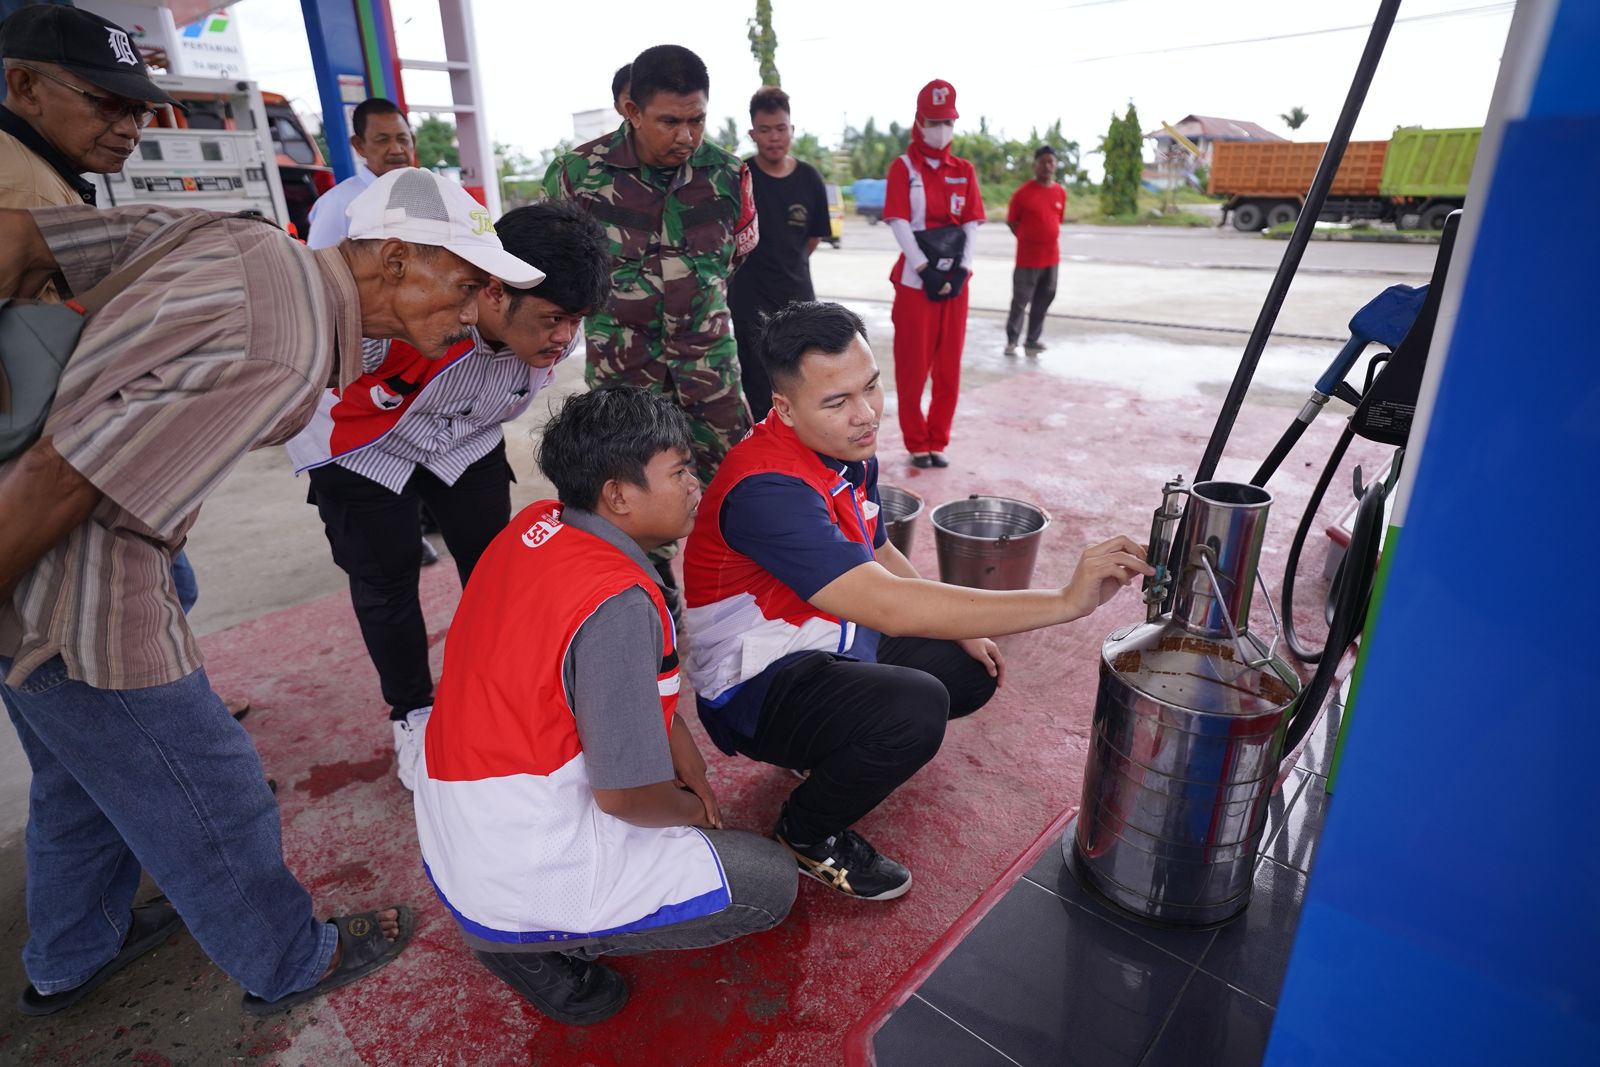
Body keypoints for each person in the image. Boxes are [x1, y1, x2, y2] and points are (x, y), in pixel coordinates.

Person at [0, 166, 542, 1015]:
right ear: (395, 260)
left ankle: (73, 950)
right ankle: (290, 958)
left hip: (31, 556)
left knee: (81, 773)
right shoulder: (289, 350)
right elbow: (61, 476)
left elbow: (23, 239)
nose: (476, 311)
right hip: (72, 581)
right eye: (467, 283)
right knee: (212, 787)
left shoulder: (247, 240)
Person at [682, 301, 1151, 900]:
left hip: (825, 637)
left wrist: (962, 627)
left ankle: (825, 748)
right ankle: (806, 833)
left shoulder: (846, 450)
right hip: (754, 686)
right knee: (916, 708)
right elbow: (889, 606)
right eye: (837, 401)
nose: (865, 414)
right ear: (785, 408)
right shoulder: (767, 489)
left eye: (871, 386)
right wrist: (1066, 601)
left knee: (967, 669)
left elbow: (876, 548)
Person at [415, 385, 796, 1025]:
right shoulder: (616, 602)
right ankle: (535, 944)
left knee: (678, 809)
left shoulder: (539, 525)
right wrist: (696, 813)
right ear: (618, 496)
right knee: (768, 883)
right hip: (520, 859)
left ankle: (517, 921)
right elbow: (623, 797)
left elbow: (622, 682)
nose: (696, 485)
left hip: (465, 820)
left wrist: (685, 754)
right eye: (680, 472)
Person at [287, 200, 611, 790]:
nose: (566, 338)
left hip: (465, 439)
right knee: (386, 580)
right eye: (554, 319)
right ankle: (412, 713)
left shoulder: (553, 329)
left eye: (577, 321)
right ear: (493, 290)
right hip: (365, 445)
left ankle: (497, 688)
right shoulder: (403, 315)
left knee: (492, 569)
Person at [0, 5, 252, 718]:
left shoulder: (41, 170)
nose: (131, 126)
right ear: (24, 86)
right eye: (105, 103)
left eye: (139, 108)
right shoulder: (19, 191)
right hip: (46, 496)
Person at [543, 43, 758, 612]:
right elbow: (559, 269)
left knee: (737, 488)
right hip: (624, 372)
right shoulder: (576, 175)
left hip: (710, 371)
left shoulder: (729, 174)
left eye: (697, 119)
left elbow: (735, 256)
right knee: (629, 496)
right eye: (669, 121)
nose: (686, 136)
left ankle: (738, 600)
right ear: (632, 110)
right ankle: (651, 605)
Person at [883, 79, 986, 470]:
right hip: (916, 283)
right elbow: (899, 221)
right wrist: (923, 269)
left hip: (955, 283)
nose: (942, 130)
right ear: (919, 121)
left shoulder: (964, 169)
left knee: (948, 368)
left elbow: (972, 223)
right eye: (934, 121)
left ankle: (938, 439)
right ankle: (917, 442)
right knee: (913, 368)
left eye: (948, 122)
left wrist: (963, 270)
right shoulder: (903, 168)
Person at [727, 86, 832, 421]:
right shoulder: (739, 177)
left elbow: (813, 237)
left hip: (798, 299)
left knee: (803, 385)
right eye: (765, 130)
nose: (774, 137)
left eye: (780, 128)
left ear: (792, 129)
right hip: (749, 302)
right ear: (752, 134)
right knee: (760, 389)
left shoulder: (809, 178)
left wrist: (789, 265)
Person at [305, 97, 415, 250]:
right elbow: (320, 262)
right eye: (382, 140)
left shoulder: (429, 193)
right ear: (359, 145)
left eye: (403, 139)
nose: (396, 150)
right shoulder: (338, 203)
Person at [1005, 145, 1067, 356]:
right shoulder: (1022, 193)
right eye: (1042, 162)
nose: (1047, 166)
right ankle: (1012, 341)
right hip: (1027, 259)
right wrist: (1028, 238)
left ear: (1055, 165)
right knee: (1020, 301)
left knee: (1044, 299)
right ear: (1035, 165)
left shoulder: (1060, 192)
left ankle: (1032, 339)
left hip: (1051, 258)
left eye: (1051, 162)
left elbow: (1058, 220)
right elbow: (1012, 222)